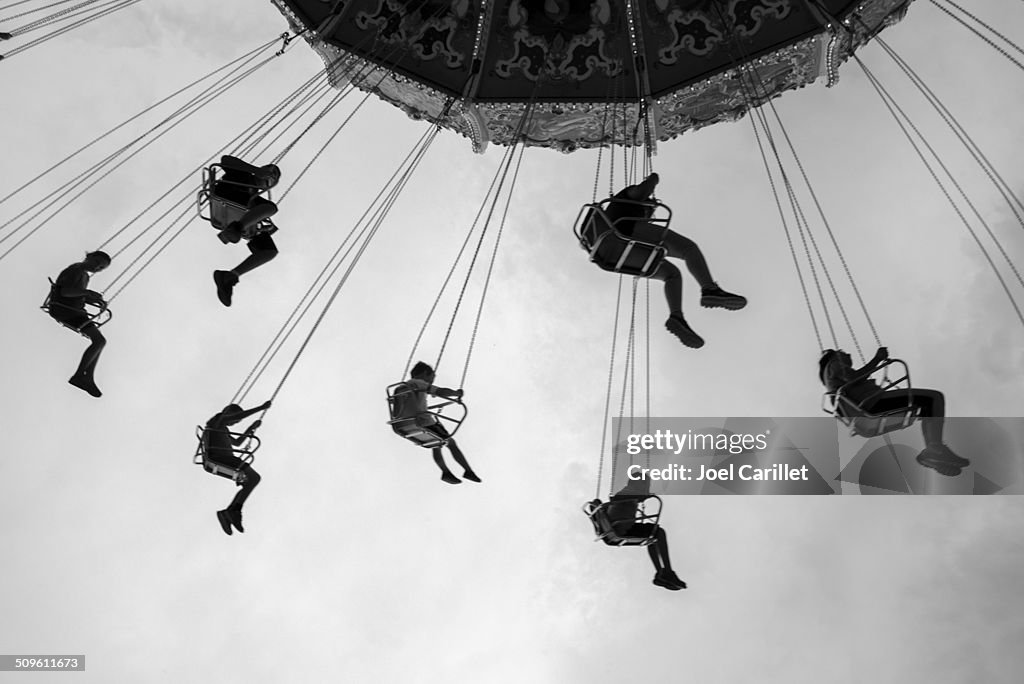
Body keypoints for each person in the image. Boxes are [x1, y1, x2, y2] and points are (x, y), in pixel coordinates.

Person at [595, 172, 746, 349]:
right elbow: (643, 189)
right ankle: (709, 289)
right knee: (688, 249)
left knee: (672, 275)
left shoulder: (619, 212)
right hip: (622, 232)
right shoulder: (628, 198)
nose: (650, 212)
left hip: (612, 254)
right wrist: (654, 179)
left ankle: (676, 317)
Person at [819, 347, 969, 476]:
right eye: (843, 352)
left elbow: (851, 380)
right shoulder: (833, 364)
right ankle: (934, 448)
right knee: (933, 398)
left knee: (926, 406)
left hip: (864, 414)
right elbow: (853, 377)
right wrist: (877, 359)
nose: (848, 354)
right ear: (834, 356)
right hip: (872, 404)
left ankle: (934, 450)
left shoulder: (831, 381)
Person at [209, 155, 282, 307]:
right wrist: (255, 170)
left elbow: (265, 210)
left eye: (272, 178)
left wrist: (266, 226)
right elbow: (225, 160)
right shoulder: (244, 174)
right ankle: (236, 228)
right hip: (228, 193)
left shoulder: (256, 198)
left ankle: (229, 277)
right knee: (270, 208)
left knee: (269, 251)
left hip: (241, 210)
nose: (270, 177)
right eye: (270, 172)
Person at [394, 361, 480, 485]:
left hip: (402, 425)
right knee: (451, 442)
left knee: (436, 445)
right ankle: (468, 470)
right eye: (432, 377)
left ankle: (445, 472)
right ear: (425, 374)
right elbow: (441, 392)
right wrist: (456, 393)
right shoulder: (419, 383)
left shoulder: (402, 387)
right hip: (422, 422)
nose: (432, 381)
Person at [593, 478, 686, 591]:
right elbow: (626, 497)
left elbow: (620, 500)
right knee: (659, 533)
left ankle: (661, 573)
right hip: (621, 529)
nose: (647, 487)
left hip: (617, 528)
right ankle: (667, 571)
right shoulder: (629, 492)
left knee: (652, 536)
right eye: (646, 484)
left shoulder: (626, 492)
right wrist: (643, 496)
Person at [47, 251, 111, 397]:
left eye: (101, 268)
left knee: (99, 341)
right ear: (88, 257)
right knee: (99, 341)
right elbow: (66, 292)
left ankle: (86, 377)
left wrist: (94, 299)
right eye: (96, 262)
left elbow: (78, 294)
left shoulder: (84, 275)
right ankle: (81, 376)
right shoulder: (75, 270)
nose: (97, 268)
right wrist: (87, 293)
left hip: (74, 311)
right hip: (67, 310)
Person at [202, 400, 271, 535]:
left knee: (250, 481)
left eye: (236, 422)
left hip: (226, 459)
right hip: (221, 457)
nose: (234, 423)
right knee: (254, 478)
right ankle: (233, 511)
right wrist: (261, 407)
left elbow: (237, 443)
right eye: (235, 420)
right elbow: (232, 417)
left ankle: (229, 512)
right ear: (228, 412)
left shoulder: (222, 427)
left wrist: (250, 428)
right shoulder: (217, 420)